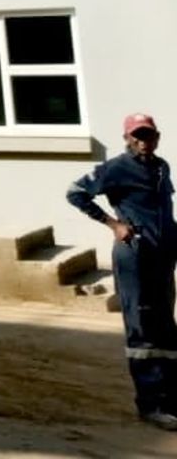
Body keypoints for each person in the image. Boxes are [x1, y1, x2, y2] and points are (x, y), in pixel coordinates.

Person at [67, 112, 177, 430]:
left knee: (165, 327)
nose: (144, 141)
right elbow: (75, 192)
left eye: (149, 135)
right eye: (138, 136)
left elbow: (163, 212)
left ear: (157, 137)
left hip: (162, 257)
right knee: (142, 328)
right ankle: (151, 405)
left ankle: (171, 400)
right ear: (127, 138)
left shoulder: (161, 167)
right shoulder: (115, 168)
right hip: (135, 257)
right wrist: (113, 224)